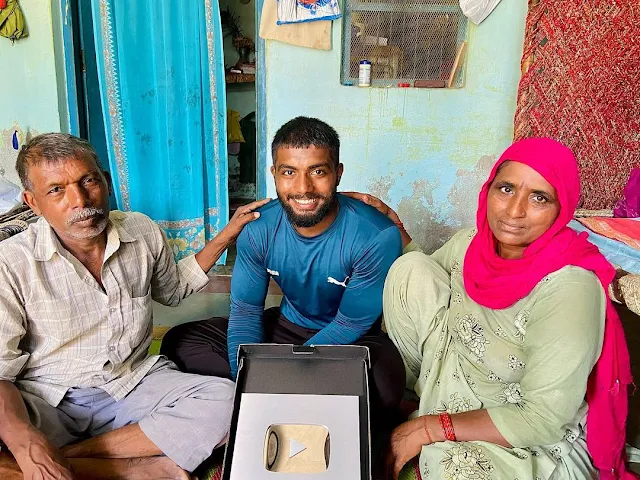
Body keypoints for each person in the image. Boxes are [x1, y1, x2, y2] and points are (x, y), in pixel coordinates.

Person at [352, 138, 634, 480]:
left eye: (539, 198)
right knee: (408, 269)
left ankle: (424, 421)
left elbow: (542, 419)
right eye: (506, 189)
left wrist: (428, 429)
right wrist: (394, 227)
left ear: (562, 208)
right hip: (456, 385)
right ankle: (413, 402)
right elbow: (429, 279)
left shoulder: (569, 287)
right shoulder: (474, 243)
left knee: (456, 470)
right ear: (489, 191)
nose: (514, 211)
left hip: (529, 435)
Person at [0, 133, 268, 479]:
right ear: (32, 201)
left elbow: (173, 290)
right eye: (56, 190)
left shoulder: (140, 230)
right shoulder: (10, 262)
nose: (80, 200)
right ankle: (139, 464)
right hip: (49, 399)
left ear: (106, 182)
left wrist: (225, 236)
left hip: (132, 384)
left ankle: (76, 459)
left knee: (230, 401)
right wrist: (27, 445)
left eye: (88, 181)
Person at [161, 116, 406, 432]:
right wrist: (246, 376)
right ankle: (293, 395)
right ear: (274, 174)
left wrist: (289, 370)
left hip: (352, 338)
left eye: (317, 172)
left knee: (385, 387)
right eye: (289, 173)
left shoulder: (376, 234)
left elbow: (352, 322)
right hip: (285, 329)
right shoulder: (257, 227)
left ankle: (279, 393)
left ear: (338, 173)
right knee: (179, 342)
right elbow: (247, 310)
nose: (303, 189)